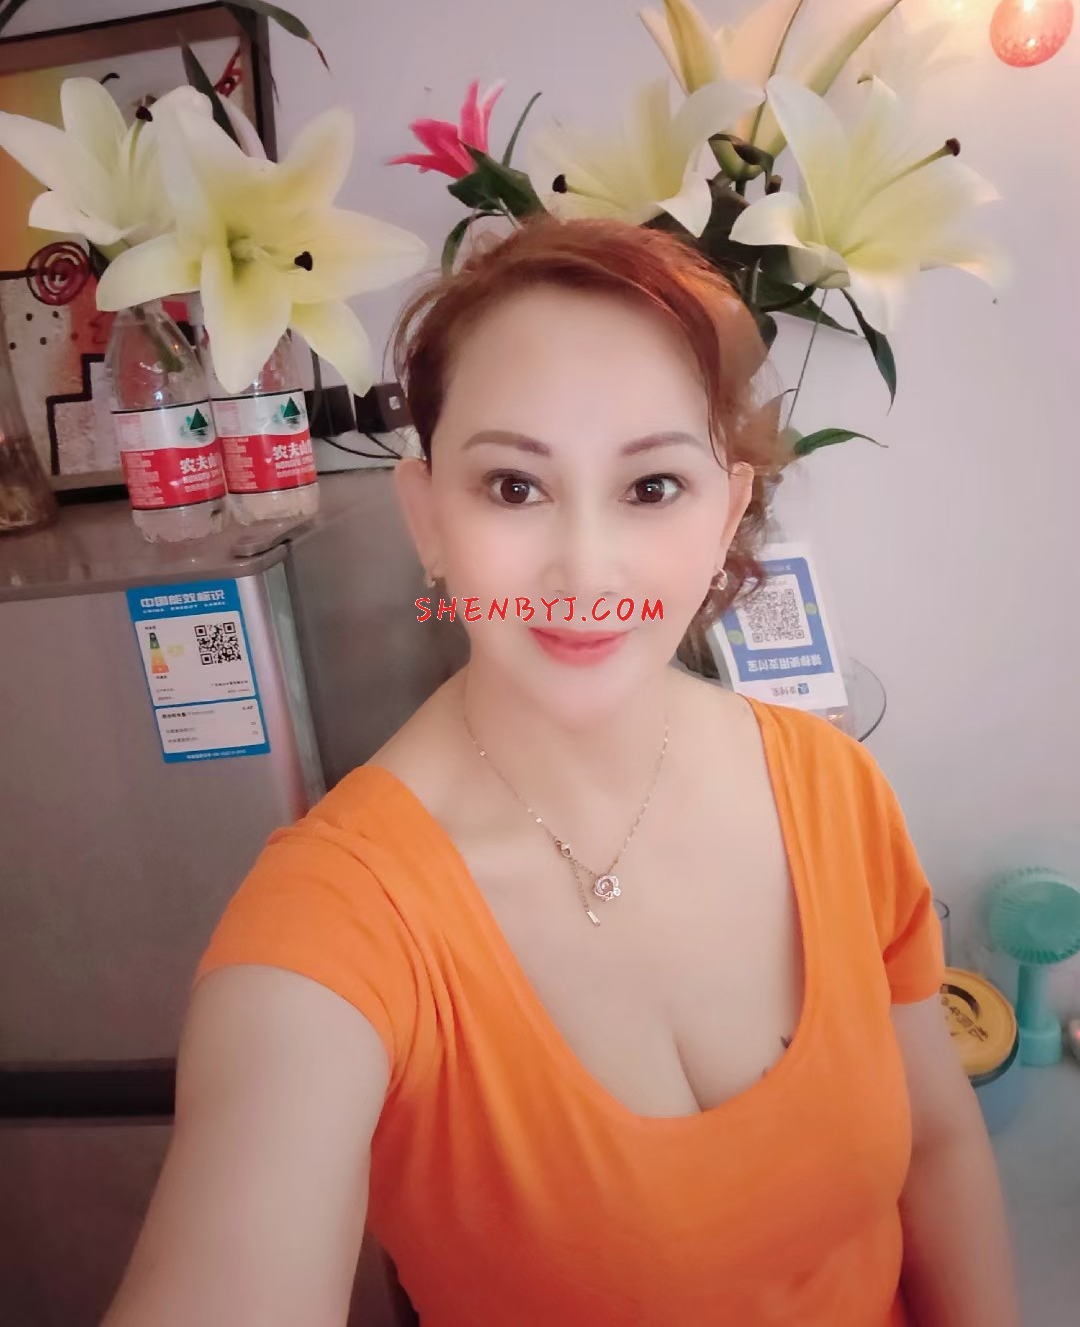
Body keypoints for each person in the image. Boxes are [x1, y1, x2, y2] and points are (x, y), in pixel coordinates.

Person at [101, 216, 1018, 1327]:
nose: (585, 571)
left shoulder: (833, 789)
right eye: (514, 487)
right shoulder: (339, 919)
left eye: (652, 487)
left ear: (727, 513)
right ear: (426, 515)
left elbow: (937, 1148)